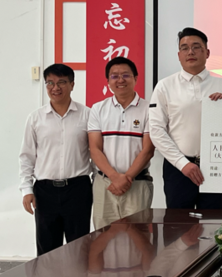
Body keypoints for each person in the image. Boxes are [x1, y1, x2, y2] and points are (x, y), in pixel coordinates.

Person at [150, 27, 222, 209]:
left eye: (196, 47)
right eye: (184, 48)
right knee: (178, 223)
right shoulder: (165, 86)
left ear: (207, 53)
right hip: (178, 168)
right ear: (179, 55)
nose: (190, 52)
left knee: (212, 221)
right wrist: (183, 164)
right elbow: (156, 130)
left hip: (215, 166)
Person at [19, 64, 93, 256]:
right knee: (47, 251)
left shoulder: (87, 115)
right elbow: (27, 156)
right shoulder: (35, 118)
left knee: (79, 250)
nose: (55, 87)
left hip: (78, 189)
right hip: (45, 191)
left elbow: (95, 152)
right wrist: (27, 190)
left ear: (72, 84)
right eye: (50, 83)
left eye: (61, 82)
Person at [88, 57, 155, 229]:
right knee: (103, 235)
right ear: (108, 81)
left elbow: (148, 150)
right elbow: (94, 149)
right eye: (114, 76)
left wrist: (127, 178)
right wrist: (114, 177)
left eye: (125, 75)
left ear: (135, 78)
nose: (120, 80)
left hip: (137, 183)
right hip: (105, 184)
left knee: (138, 236)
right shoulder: (98, 109)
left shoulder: (149, 109)